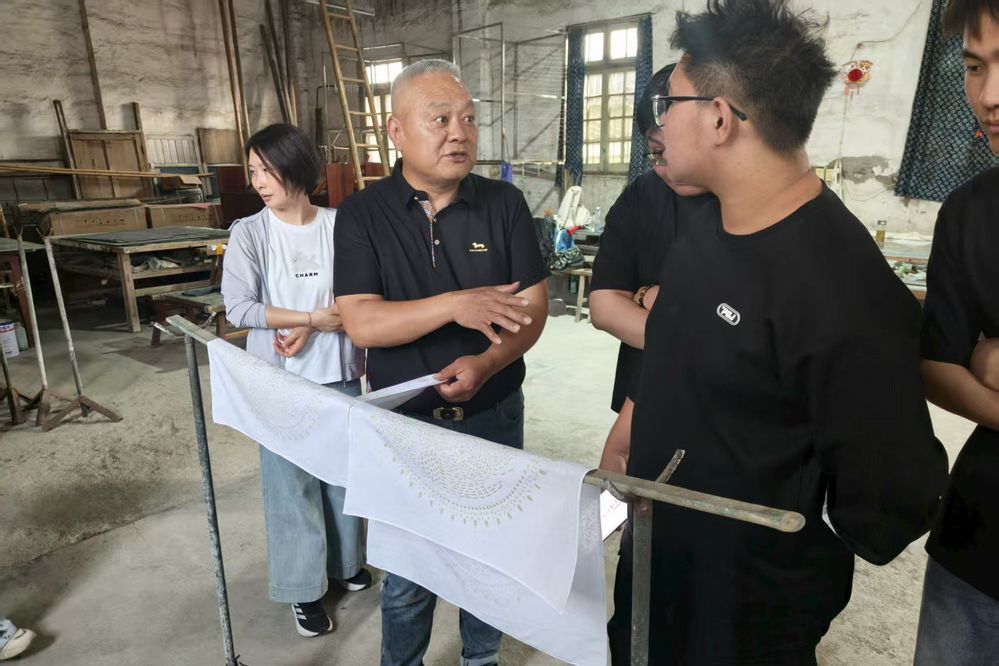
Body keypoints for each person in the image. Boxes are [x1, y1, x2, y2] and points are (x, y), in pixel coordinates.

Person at [614, 1, 950, 663]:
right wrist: (635, 427)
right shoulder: (706, 232)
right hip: (659, 558)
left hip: (746, 606)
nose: (661, 122)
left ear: (718, 118)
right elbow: (683, 358)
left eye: (669, 103)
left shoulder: (841, 288)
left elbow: (896, 493)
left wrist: (789, 534)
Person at [333, 59, 549, 666]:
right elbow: (363, 321)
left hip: (492, 414)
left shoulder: (504, 204)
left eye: (469, 119)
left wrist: (488, 362)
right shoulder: (362, 214)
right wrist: (457, 304)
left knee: (489, 559)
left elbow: (532, 310)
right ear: (396, 131)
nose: (460, 133)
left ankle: (481, 659)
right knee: (409, 574)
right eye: (440, 119)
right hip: (404, 424)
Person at [221, 123, 371, 639]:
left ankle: (345, 564)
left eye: (268, 170)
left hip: (340, 375)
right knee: (291, 486)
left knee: (343, 478)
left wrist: (322, 323)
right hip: (279, 383)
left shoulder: (340, 224)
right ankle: (302, 588)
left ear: (299, 168)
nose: (259, 182)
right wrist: (308, 320)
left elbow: (363, 294)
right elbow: (239, 308)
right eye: (253, 171)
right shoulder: (249, 233)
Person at [914, 1, 999, 662]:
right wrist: (973, 360)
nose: (989, 95)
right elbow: (936, 365)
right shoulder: (969, 213)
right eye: (975, 67)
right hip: (979, 542)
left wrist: (987, 359)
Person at [590, 63, 718, 476]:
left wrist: (644, 297)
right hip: (643, 395)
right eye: (657, 153)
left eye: (677, 148)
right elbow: (605, 307)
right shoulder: (640, 199)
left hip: (726, 412)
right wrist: (693, 335)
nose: (670, 166)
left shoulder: (744, 207)